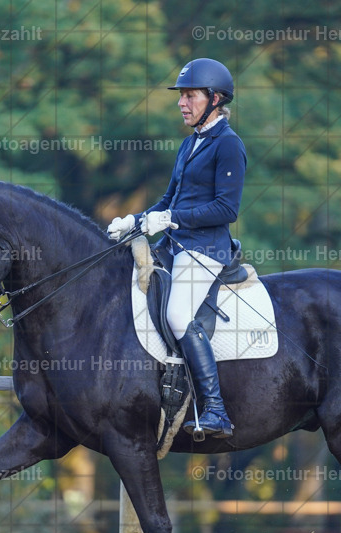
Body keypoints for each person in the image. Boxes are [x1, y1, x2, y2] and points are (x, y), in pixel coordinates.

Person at [108, 58, 246, 439]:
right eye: (181, 97)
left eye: (190, 96)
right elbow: (169, 199)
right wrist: (137, 220)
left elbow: (226, 208)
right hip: (175, 245)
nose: (182, 103)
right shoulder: (189, 144)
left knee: (178, 314)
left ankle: (215, 409)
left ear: (214, 99)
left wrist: (170, 220)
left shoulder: (229, 145)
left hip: (206, 250)